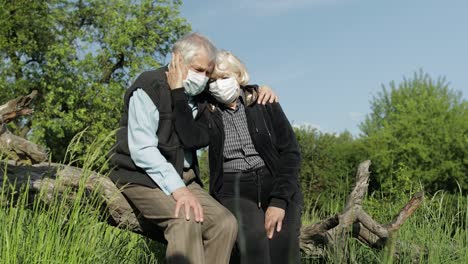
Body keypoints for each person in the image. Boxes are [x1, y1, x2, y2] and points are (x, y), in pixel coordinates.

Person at [109, 33, 278, 264]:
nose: (204, 78)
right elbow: (143, 150)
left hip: (184, 177)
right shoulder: (149, 87)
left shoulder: (200, 96)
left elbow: (235, 88)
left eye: (208, 73)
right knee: (185, 219)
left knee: (225, 223)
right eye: (198, 70)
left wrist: (261, 90)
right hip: (141, 176)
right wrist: (179, 190)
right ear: (178, 61)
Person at [167, 50, 303, 264]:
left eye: (225, 77)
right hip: (234, 186)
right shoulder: (207, 109)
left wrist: (279, 201)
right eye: (213, 80)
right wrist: (177, 93)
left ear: (239, 77)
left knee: (282, 249)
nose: (219, 84)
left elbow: (291, 152)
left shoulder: (263, 101)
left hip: (275, 182)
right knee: (255, 245)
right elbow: (190, 139)